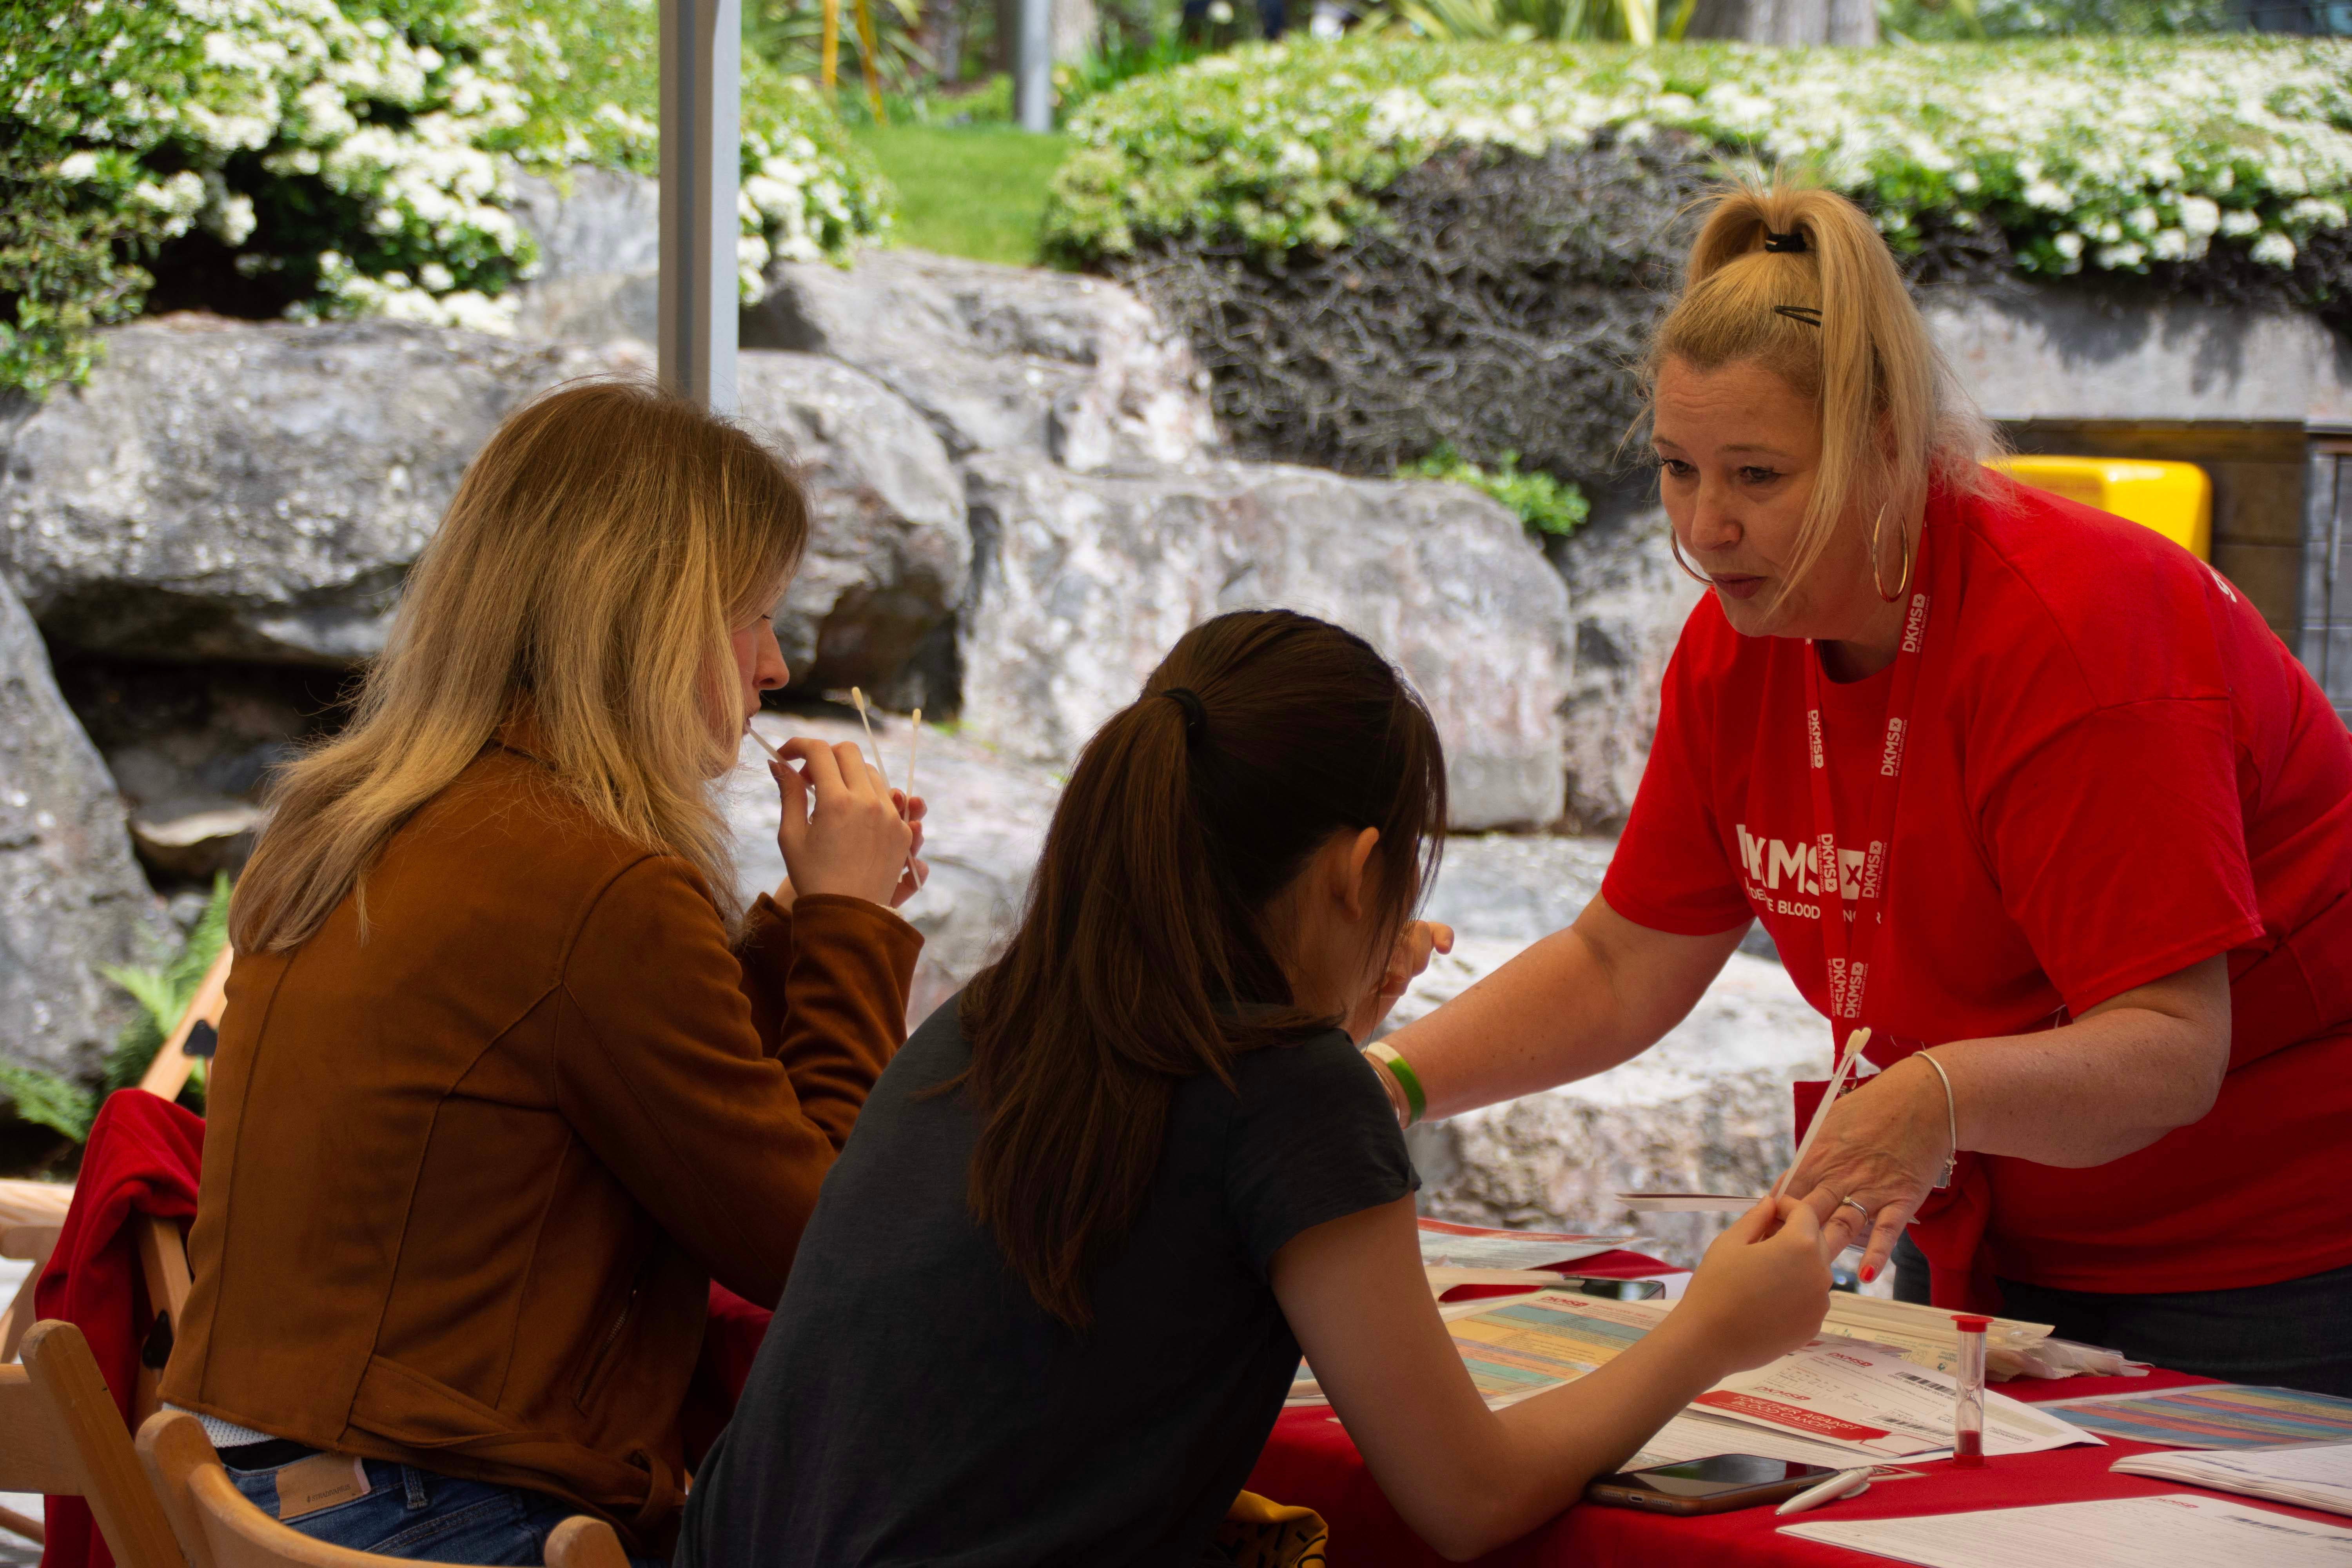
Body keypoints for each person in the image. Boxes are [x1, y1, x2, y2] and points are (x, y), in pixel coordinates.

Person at [1370, 180, 2352, 1393]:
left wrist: (1932, 1095)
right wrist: (1389, 1085)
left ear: (1889, 450)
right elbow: (1628, 959)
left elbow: (2168, 1053)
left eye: (1759, 477)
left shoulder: (2077, 637)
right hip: (1978, 1229)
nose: (1705, 527)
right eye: (1679, 470)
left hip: (2270, 1259)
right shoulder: (1738, 645)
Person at [676, 609, 1849, 1568]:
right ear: (1356, 872)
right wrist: (1710, 1330)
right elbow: (1466, 1497)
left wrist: (1330, 1034)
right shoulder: (1292, 1094)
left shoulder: (996, 1016)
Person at [160, 379, 930, 1563]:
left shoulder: (366, 817)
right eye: (754, 616)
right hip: (445, 1514)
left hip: (262, 1493)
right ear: (641, 617)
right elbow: (821, 1248)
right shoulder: (592, 877)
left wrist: (792, 928)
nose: (775, 667)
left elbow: (604, 1068)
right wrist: (850, 928)